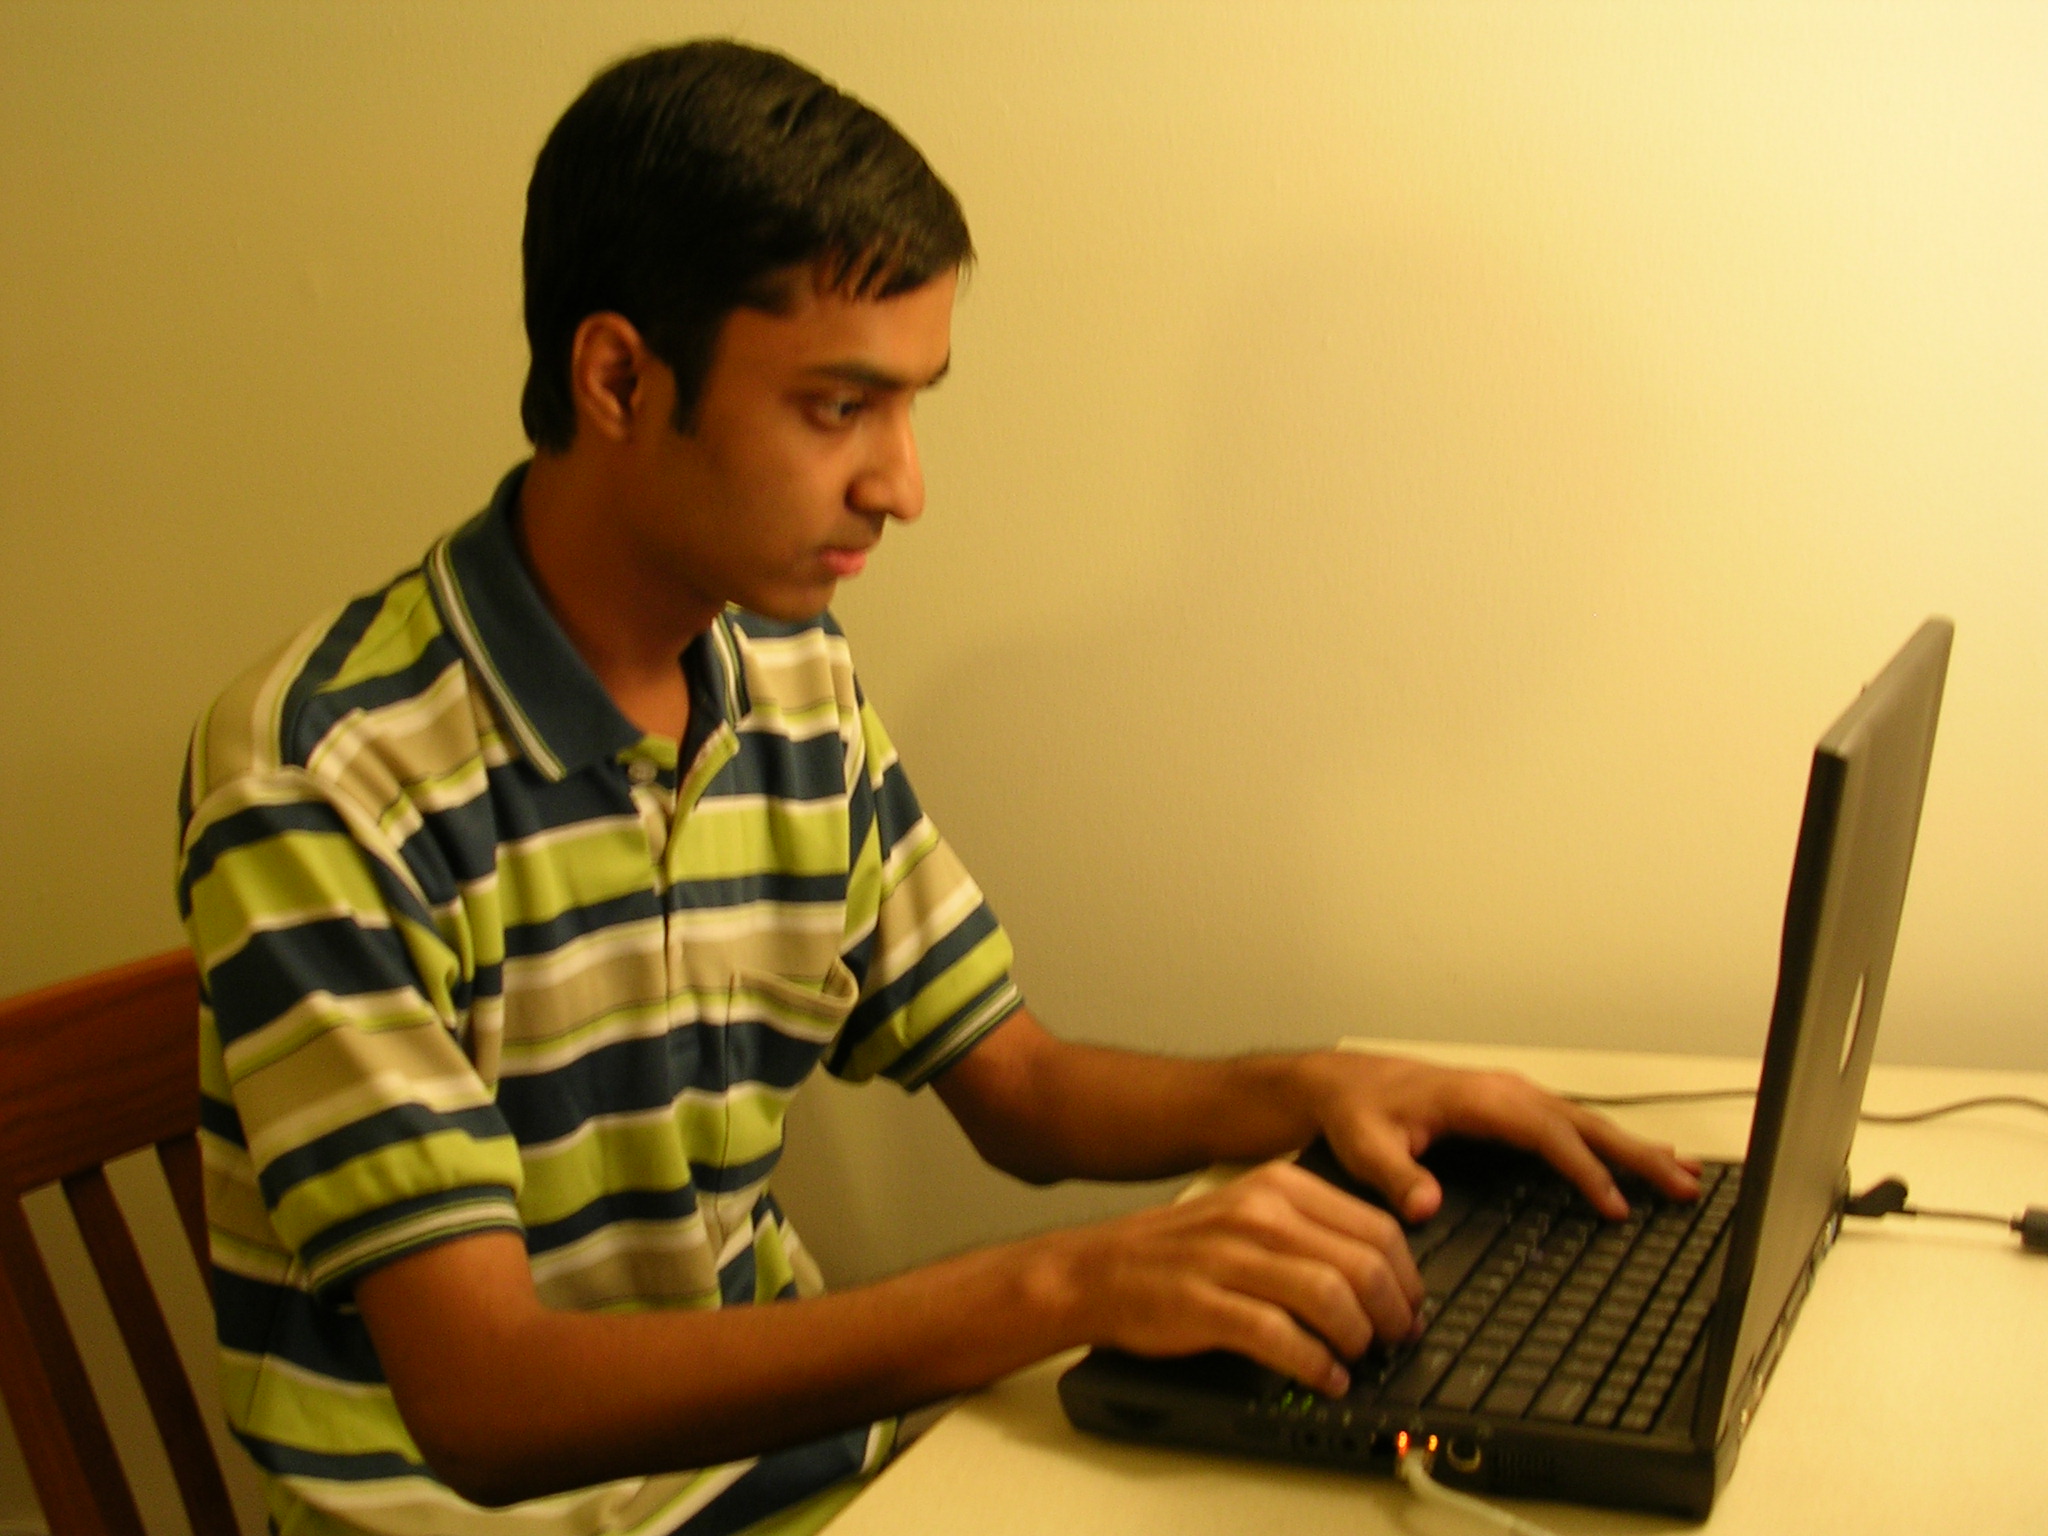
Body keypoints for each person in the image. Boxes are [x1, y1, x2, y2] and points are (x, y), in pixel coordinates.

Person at [175, 39, 1697, 1536]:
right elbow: (488, 1403)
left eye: (913, 404)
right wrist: (1068, 1282)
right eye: (839, 408)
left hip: (811, 1486)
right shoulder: (326, 776)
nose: (903, 485)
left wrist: (1314, 1091)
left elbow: (1018, 1087)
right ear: (621, 378)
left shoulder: (789, 678)